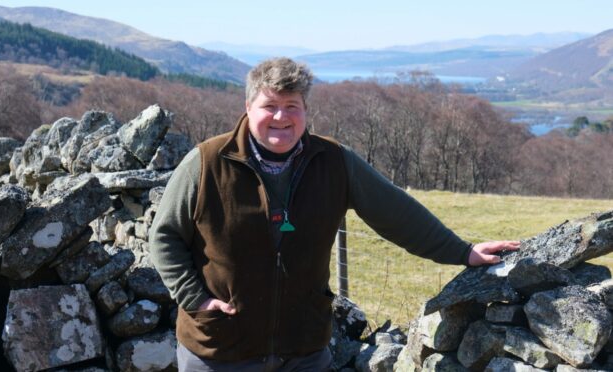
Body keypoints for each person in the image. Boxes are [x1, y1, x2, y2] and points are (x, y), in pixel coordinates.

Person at [149, 57, 519, 371]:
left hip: (304, 350)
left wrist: (462, 251)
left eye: (292, 106)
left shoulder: (332, 162)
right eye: (270, 105)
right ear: (248, 108)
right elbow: (164, 236)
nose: (281, 116)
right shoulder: (206, 162)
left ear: (306, 111)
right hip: (219, 351)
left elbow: (397, 213)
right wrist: (195, 299)